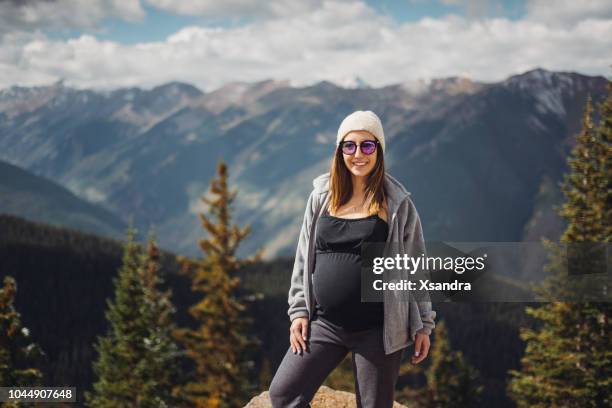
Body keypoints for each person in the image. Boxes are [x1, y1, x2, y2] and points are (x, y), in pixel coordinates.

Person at [269, 110, 436, 408]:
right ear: (339, 151)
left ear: (379, 150)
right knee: (284, 395)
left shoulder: (396, 204)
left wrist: (423, 323)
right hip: (325, 323)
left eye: (367, 145)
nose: (358, 154)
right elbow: (304, 259)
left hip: (377, 330)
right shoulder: (322, 196)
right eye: (350, 145)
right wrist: (299, 312)